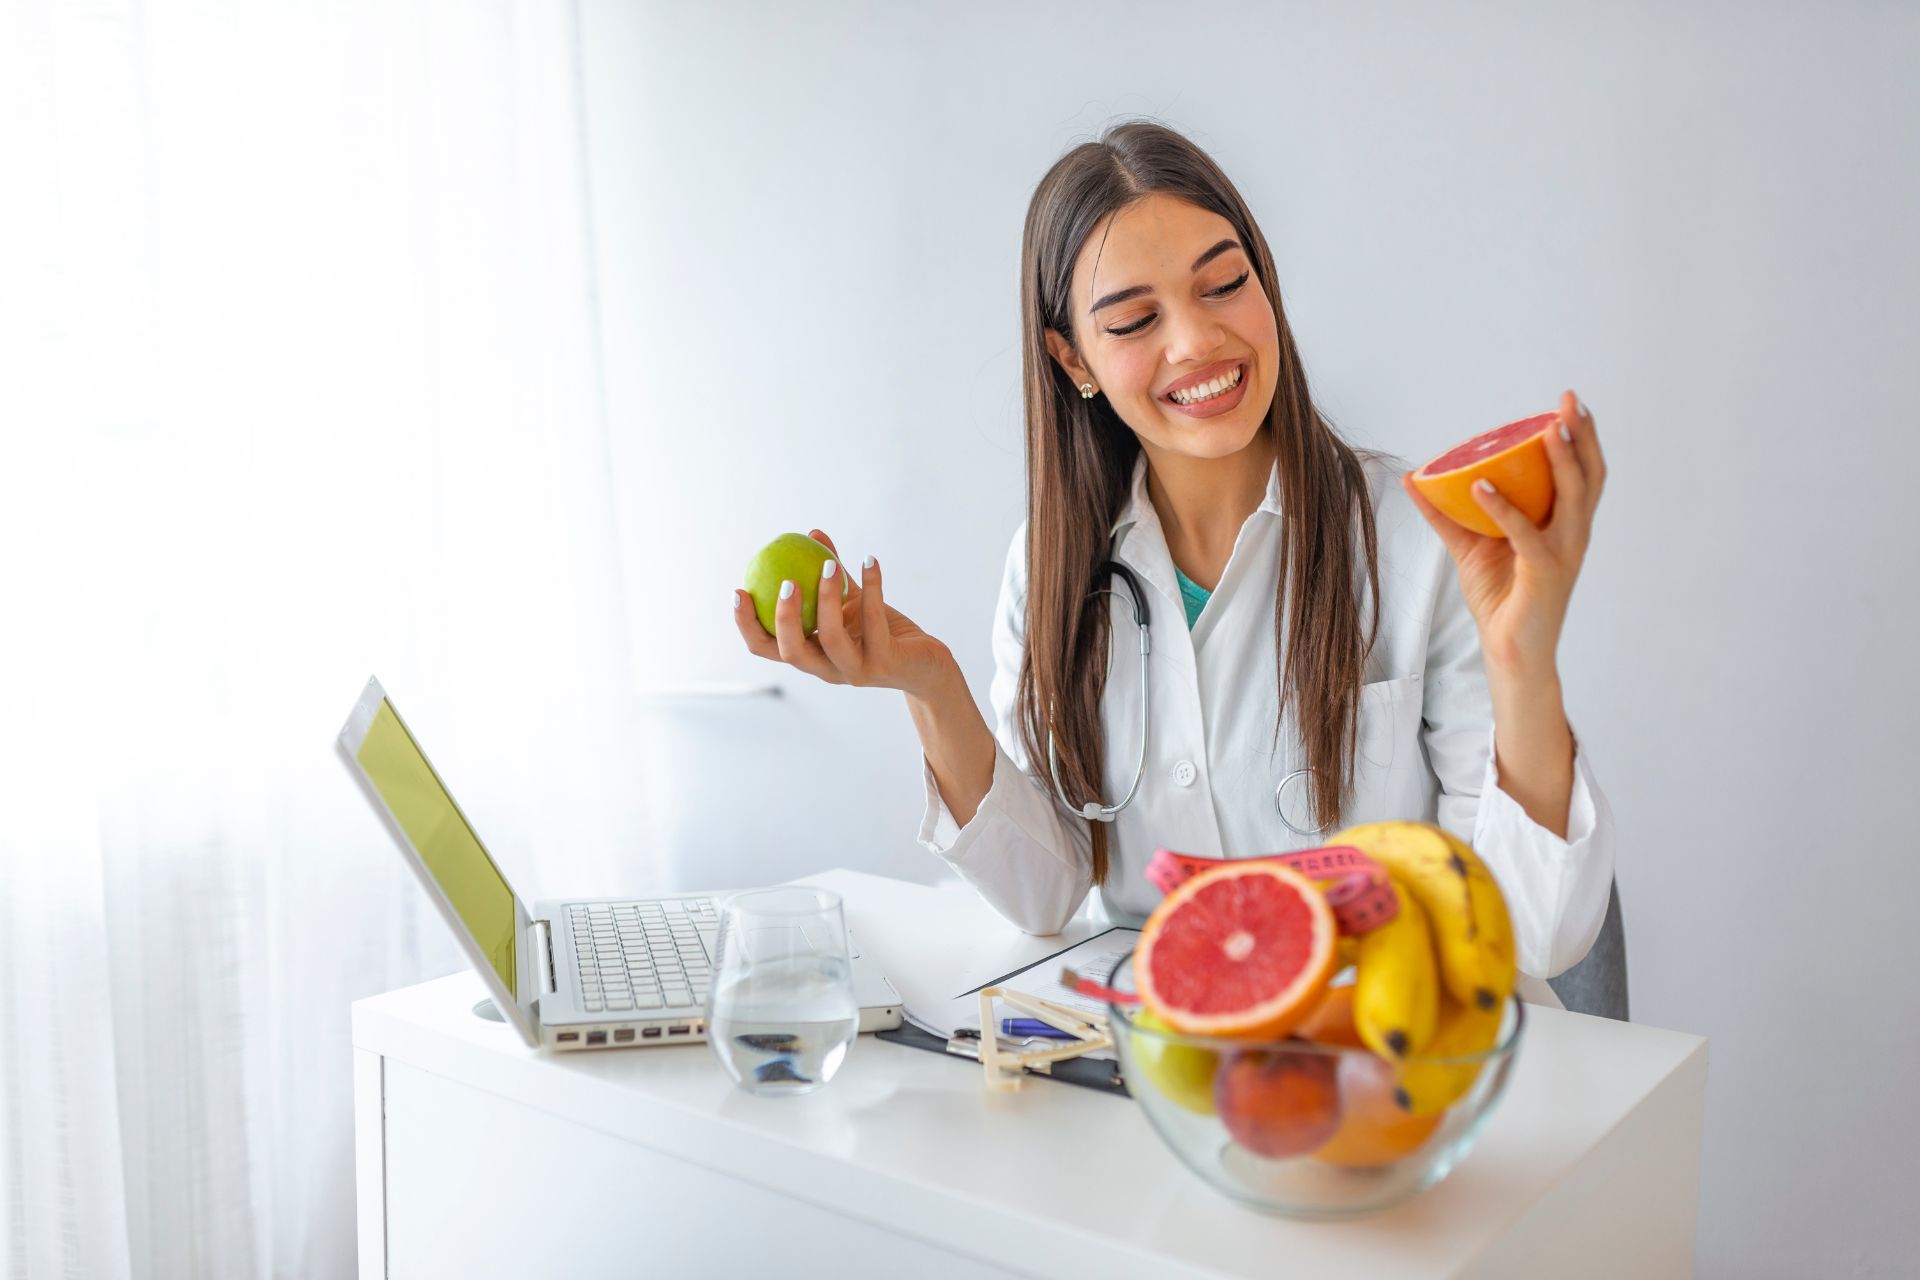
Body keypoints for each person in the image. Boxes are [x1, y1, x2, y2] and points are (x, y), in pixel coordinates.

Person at [731, 121, 1614, 1008]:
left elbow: (1535, 934)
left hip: (1398, 1066)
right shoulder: (1051, 569)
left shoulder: (1416, 541)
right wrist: (930, 685)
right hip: (1175, 1073)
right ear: (1073, 358)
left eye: (1224, 284)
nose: (1196, 341)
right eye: (1135, 320)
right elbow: (1046, 895)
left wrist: (1524, 663)